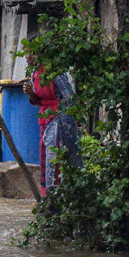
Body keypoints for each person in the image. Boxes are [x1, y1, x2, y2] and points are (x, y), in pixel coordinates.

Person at [28, 62, 81, 195]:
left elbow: (70, 99)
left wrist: (72, 122)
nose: (28, 57)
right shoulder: (34, 72)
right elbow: (37, 101)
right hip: (45, 119)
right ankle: (48, 196)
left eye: (31, 53)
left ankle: (60, 195)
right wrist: (30, 93)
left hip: (60, 119)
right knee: (45, 158)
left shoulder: (55, 72)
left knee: (56, 158)